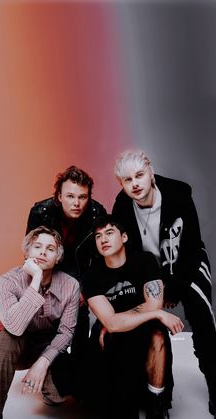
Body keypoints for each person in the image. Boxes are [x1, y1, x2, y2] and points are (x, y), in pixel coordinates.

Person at [112, 149, 216, 417]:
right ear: (120, 183)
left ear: (151, 172)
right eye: (127, 180)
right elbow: (127, 257)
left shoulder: (179, 194)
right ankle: (159, 397)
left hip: (185, 264)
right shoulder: (122, 205)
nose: (135, 184)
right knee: (147, 326)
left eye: (139, 175)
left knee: (203, 320)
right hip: (147, 272)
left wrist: (175, 289)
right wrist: (153, 292)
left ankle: (215, 384)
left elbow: (192, 246)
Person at [79, 214, 184, 419]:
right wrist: (156, 313)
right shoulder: (92, 275)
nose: (104, 240)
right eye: (98, 236)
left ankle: (156, 403)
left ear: (124, 237)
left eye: (110, 233)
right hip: (112, 338)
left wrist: (118, 320)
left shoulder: (144, 261)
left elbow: (153, 302)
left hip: (143, 328)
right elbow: (111, 323)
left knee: (158, 336)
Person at [0, 226, 80, 419]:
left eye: (50, 249)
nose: (43, 252)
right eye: (37, 247)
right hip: (19, 343)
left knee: (59, 395)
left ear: (58, 258)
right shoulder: (6, 282)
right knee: (6, 338)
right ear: (27, 252)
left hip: (48, 345)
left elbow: (66, 333)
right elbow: (14, 326)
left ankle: (48, 390)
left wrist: (43, 363)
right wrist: (36, 279)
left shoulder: (71, 285)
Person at [26, 165, 106, 357]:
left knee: (79, 326)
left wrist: (84, 289)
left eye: (82, 197)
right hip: (49, 271)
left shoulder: (97, 213)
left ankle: (78, 365)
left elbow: (101, 259)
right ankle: (47, 357)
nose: (77, 203)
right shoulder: (41, 212)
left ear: (89, 197)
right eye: (70, 196)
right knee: (46, 327)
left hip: (81, 275)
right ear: (59, 196)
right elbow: (32, 254)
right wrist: (45, 284)